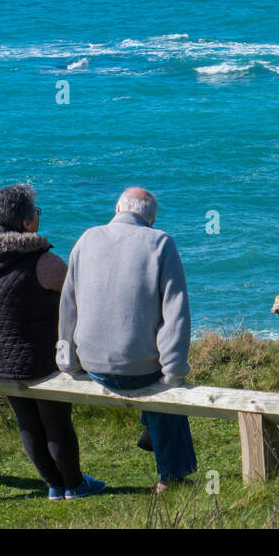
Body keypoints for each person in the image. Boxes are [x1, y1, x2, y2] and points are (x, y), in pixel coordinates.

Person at [0, 183, 105, 500]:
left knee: (27, 422)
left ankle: (54, 483)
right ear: (27, 223)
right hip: (40, 361)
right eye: (36, 214)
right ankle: (75, 485)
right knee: (56, 423)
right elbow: (81, 299)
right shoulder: (43, 263)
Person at [58, 186, 197, 493]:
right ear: (151, 220)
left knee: (152, 366)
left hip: (93, 366)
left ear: (118, 210)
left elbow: (68, 306)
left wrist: (68, 363)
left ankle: (152, 433)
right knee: (165, 378)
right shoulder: (161, 243)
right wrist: (173, 376)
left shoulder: (86, 239)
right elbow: (176, 315)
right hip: (139, 370)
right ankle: (172, 475)